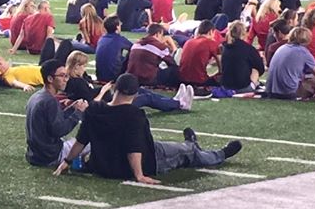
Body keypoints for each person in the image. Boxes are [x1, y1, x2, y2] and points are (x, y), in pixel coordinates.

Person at [58, 74, 241, 184]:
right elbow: (134, 148)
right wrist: (139, 175)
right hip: (145, 160)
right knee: (189, 153)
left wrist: (67, 161)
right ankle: (218, 154)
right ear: (135, 94)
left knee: (176, 147)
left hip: (104, 166)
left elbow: (81, 140)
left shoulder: (95, 110)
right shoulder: (134, 115)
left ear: (115, 89)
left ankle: (190, 144)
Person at [25, 63, 87, 166]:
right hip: (50, 156)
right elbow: (60, 130)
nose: (66, 79)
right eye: (62, 76)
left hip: (34, 155)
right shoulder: (50, 101)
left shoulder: (36, 96)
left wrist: (72, 109)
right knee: (91, 141)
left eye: (66, 75)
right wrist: (79, 113)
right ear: (50, 78)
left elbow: (52, 121)